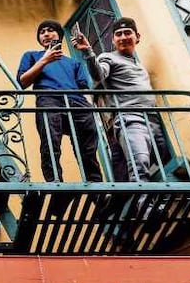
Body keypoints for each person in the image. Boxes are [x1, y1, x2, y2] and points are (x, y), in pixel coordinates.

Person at [71, 18, 169, 182]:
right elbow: (99, 75)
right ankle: (144, 202)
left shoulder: (139, 65)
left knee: (161, 159)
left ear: (137, 37)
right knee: (140, 162)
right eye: (118, 34)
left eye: (127, 33)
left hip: (152, 119)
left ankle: (140, 197)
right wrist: (88, 51)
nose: (123, 37)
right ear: (113, 40)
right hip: (130, 118)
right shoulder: (108, 58)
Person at [17, 20, 103, 182]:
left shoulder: (73, 62)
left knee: (87, 150)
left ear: (60, 36)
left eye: (51, 31)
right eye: (42, 32)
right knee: (50, 143)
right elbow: (22, 82)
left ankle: (96, 188)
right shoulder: (32, 56)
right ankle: (55, 181)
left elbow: (84, 87)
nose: (46, 34)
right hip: (49, 99)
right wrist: (44, 60)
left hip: (77, 102)